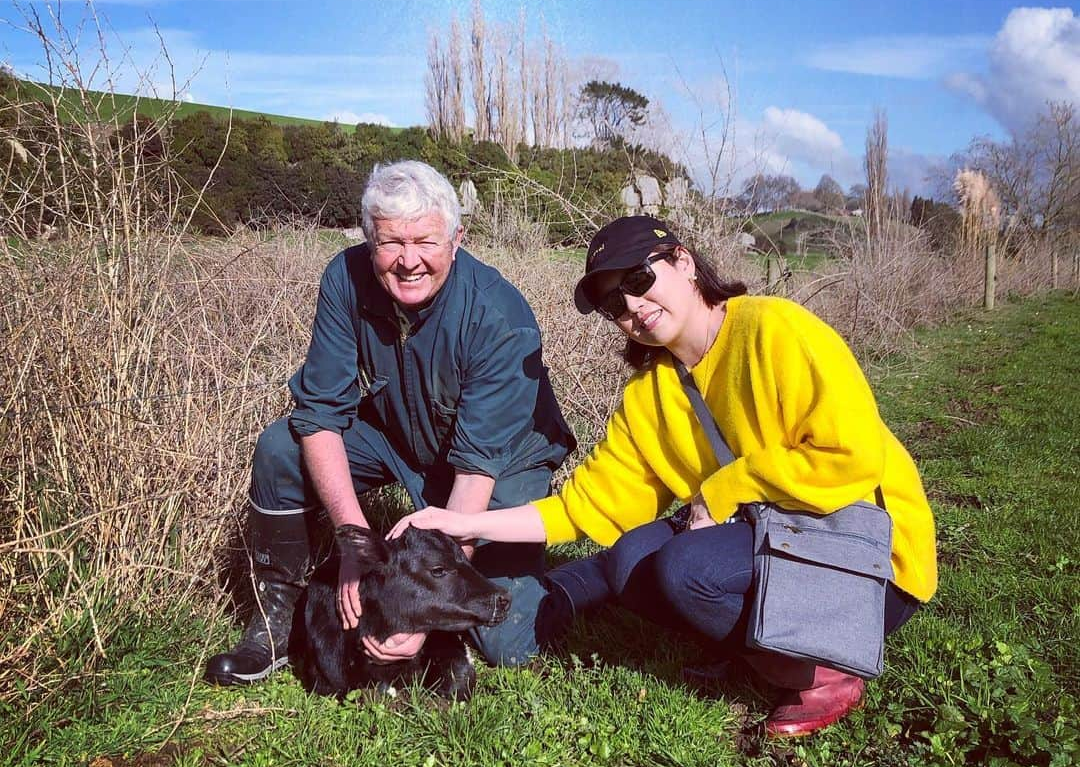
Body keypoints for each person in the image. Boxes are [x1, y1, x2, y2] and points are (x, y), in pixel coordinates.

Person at [391, 215, 937, 737]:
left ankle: (822, 670)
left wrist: (725, 488)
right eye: (613, 302)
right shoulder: (651, 393)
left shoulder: (775, 329)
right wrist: (461, 522)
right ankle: (768, 649)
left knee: (684, 569)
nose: (632, 305)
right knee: (632, 562)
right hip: (778, 532)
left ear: (684, 262)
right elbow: (585, 507)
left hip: (869, 557)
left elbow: (852, 457)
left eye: (639, 278)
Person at [206, 160, 576, 686]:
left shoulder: (498, 316)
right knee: (281, 446)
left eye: (425, 242)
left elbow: (473, 473)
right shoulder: (345, 277)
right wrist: (355, 546)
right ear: (368, 239)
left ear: (456, 239)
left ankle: (578, 582)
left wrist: (422, 616)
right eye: (390, 243)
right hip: (399, 438)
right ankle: (274, 622)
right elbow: (319, 419)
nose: (408, 262)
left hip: (497, 460)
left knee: (505, 641)